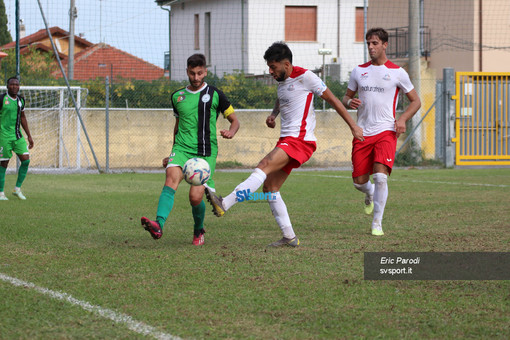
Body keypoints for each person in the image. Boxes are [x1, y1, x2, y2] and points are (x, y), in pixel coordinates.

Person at [205, 41, 364, 247]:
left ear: (286, 64)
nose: (270, 71)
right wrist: (273, 114)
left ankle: (224, 203)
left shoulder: (306, 77)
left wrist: (353, 126)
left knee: (263, 165)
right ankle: (289, 237)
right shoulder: (282, 80)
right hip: (288, 140)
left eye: (273, 67)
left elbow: (333, 100)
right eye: (269, 67)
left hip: (300, 141)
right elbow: (282, 98)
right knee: (270, 188)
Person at [141, 53, 239, 246]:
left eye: (199, 73)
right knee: (171, 178)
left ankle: (198, 229)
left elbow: (235, 120)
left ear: (205, 72)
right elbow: (177, 127)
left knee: (195, 198)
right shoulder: (177, 96)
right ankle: (158, 225)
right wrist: (171, 155)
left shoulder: (215, 94)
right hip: (182, 148)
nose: (196, 78)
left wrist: (231, 132)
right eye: (192, 73)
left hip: (205, 152)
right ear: (187, 71)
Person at [342, 27, 421, 236]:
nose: (370, 47)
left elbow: (416, 101)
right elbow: (345, 98)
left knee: (380, 177)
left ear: (385, 45)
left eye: (375, 43)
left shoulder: (397, 72)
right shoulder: (359, 71)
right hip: (362, 132)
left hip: (386, 131)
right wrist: (350, 101)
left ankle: (377, 223)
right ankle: (369, 194)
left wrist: (402, 118)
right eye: (368, 43)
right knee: (359, 182)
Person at [0, 77, 34, 201]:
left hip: (17, 136)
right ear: (7, 86)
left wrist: (29, 136)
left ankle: (17, 189)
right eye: (12, 84)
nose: (14, 86)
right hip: (4, 136)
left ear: (19, 87)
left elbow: (23, 118)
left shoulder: (21, 100)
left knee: (25, 160)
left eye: (16, 84)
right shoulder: (2, 99)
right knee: (4, 163)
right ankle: (1, 193)